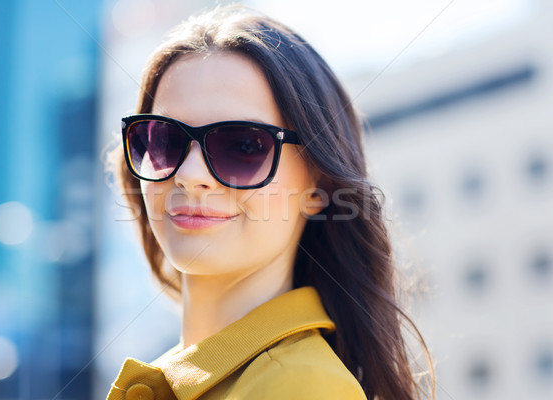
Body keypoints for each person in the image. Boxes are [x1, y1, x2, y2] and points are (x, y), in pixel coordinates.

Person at [105, 4, 434, 400]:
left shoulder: (304, 388)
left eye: (243, 145)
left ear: (319, 188)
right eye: (165, 140)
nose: (190, 175)